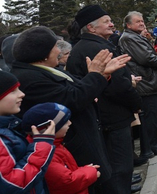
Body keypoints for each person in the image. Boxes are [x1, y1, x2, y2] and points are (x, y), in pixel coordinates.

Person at [11, 26, 127, 194]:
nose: (59, 51)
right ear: (43, 54)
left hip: (81, 141)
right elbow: (73, 99)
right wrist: (95, 75)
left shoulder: (43, 70)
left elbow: (79, 87)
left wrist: (100, 75)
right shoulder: (30, 78)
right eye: (55, 47)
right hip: (72, 148)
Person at [66, 5, 142, 194]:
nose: (111, 24)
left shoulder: (90, 45)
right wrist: (136, 103)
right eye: (106, 21)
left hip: (105, 117)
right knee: (119, 169)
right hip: (111, 118)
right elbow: (116, 86)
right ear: (91, 27)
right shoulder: (96, 48)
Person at [117, 12, 157, 164]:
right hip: (145, 82)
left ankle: (155, 143)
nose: (141, 23)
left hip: (148, 80)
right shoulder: (129, 38)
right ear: (128, 25)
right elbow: (145, 57)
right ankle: (153, 145)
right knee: (150, 115)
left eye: (142, 20)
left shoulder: (134, 36)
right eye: (138, 21)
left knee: (153, 114)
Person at [23, 102, 100, 194]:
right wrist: (91, 172)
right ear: (49, 128)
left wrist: (83, 170)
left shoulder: (56, 145)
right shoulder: (46, 154)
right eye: (64, 122)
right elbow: (66, 182)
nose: (70, 123)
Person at [0, 71, 56, 194]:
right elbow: (12, 185)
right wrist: (42, 144)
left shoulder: (10, 126)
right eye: (13, 91)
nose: (22, 94)